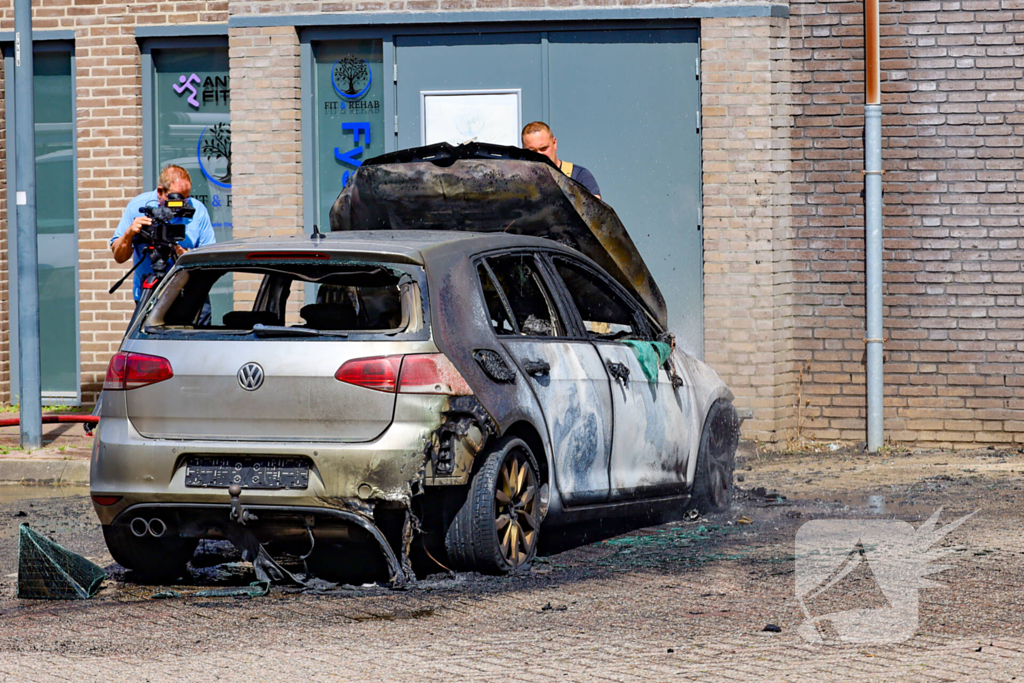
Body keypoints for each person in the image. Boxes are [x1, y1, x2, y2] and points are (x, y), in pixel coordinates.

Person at [110, 165, 216, 313]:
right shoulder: (138, 206)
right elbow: (119, 257)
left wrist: (187, 256)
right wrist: (129, 233)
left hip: (190, 293)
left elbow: (211, 259)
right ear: (160, 191)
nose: (184, 204)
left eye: (187, 197)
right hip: (151, 293)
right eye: (178, 198)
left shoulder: (197, 210)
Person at [521, 121, 602, 199]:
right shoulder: (518, 181)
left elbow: (596, 211)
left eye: (544, 148)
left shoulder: (579, 176)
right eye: (532, 151)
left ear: (554, 143)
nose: (539, 155)